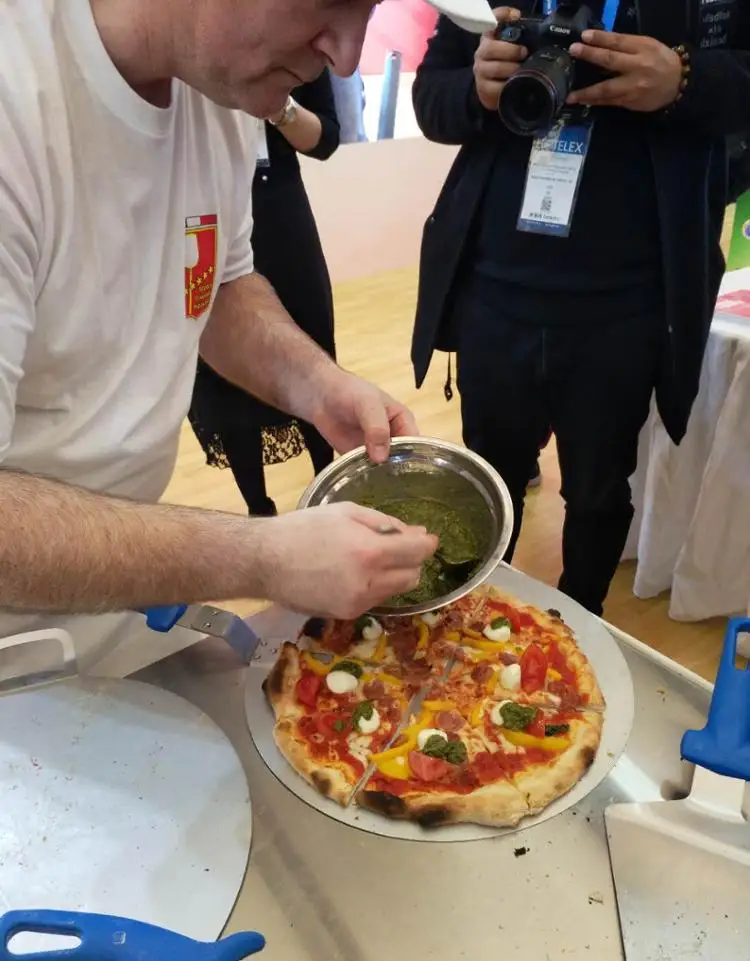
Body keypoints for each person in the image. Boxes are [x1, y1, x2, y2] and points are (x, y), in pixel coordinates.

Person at [0, 0, 437, 675]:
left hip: (106, 591)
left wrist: (319, 385)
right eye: (333, 2)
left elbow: (219, 286)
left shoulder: (223, 90)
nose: (348, 56)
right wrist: (262, 556)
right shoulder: (19, 98)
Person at [411, 3, 750, 616]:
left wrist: (686, 81)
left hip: (629, 301)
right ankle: (474, 621)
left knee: (597, 491)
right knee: (490, 480)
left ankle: (579, 627)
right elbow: (431, 100)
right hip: (495, 289)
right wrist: (475, 88)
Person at [190, 69, 341, 518]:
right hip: (201, 209)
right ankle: (259, 509)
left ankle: (327, 489)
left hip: (280, 212)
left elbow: (326, 139)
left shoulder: (301, 41)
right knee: (221, 375)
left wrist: (278, 106)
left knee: (311, 347)